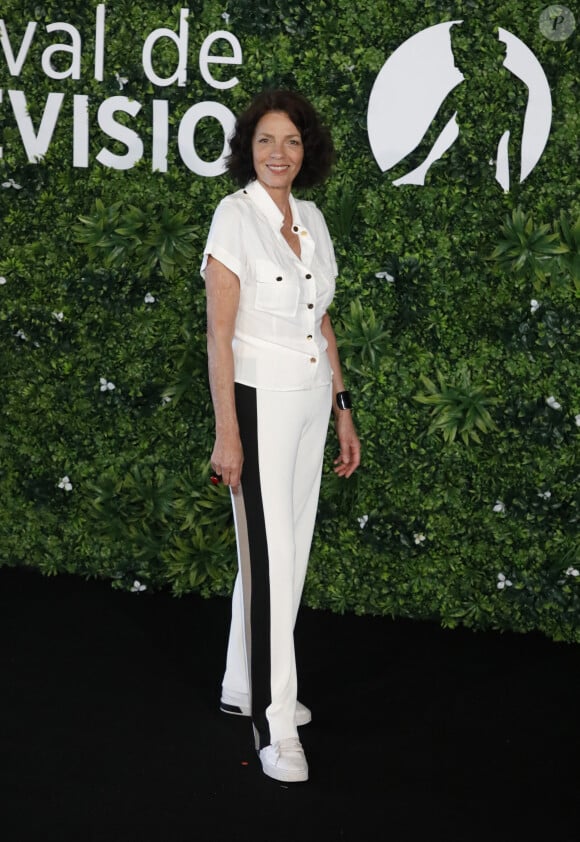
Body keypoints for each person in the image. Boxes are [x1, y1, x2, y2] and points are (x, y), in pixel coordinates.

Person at [201, 89, 360, 783]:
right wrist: (226, 435)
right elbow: (218, 335)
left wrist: (343, 405)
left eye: (291, 141)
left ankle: (244, 683)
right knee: (270, 561)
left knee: (287, 559)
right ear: (248, 149)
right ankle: (274, 721)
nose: (278, 153)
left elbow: (320, 319)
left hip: (309, 399)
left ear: (307, 152)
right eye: (267, 140)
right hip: (258, 402)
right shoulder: (233, 219)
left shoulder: (315, 220)